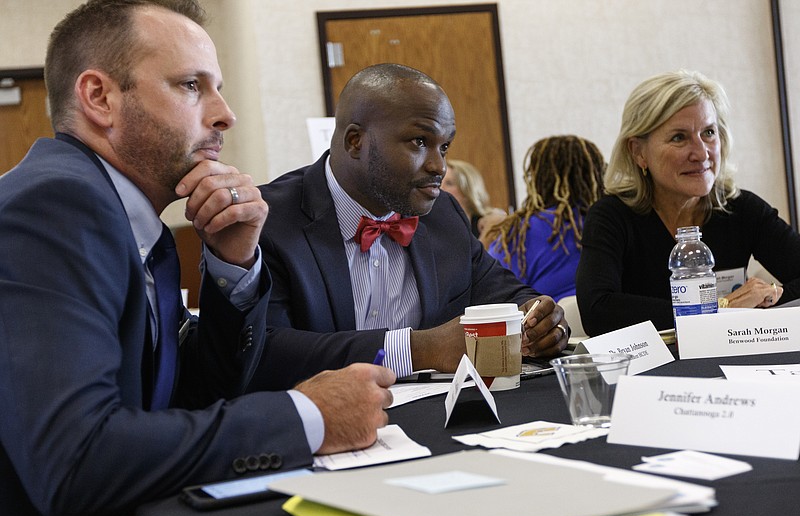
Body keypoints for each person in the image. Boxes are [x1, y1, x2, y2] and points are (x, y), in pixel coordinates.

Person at [0, 1, 393, 516]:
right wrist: (306, 418)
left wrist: (234, 262)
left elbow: (186, 396)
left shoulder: (137, 224)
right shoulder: (55, 206)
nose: (224, 114)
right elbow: (76, 461)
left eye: (219, 87)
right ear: (99, 97)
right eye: (191, 85)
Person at [249, 63, 569, 392]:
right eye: (419, 142)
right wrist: (419, 349)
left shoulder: (442, 213)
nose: (439, 166)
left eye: (444, 147)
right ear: (356, 142)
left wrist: (539, 320)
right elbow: (264, 354)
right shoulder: (269, 219)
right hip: (317, 428)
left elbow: (504, 292)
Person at [576, 69, 800, 336]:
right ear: (639, 152)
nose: (701, 153)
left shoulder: (741, 208)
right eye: (679, 137)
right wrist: (720, 308)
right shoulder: (611, 216)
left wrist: (772, 294)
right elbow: (598, 311)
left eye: (708, 132)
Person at [484, 135, 606, 301]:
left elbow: (490, 290)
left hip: (550, 322)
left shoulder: (521, 231)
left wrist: (485, 238)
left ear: (537, 176)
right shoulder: (608, 223)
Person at [440, 158, 506, 241]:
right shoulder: (430, 225)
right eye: (439, 182)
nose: (440, 188)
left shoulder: (489, 224)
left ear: (468, 190)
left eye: (449, 183)